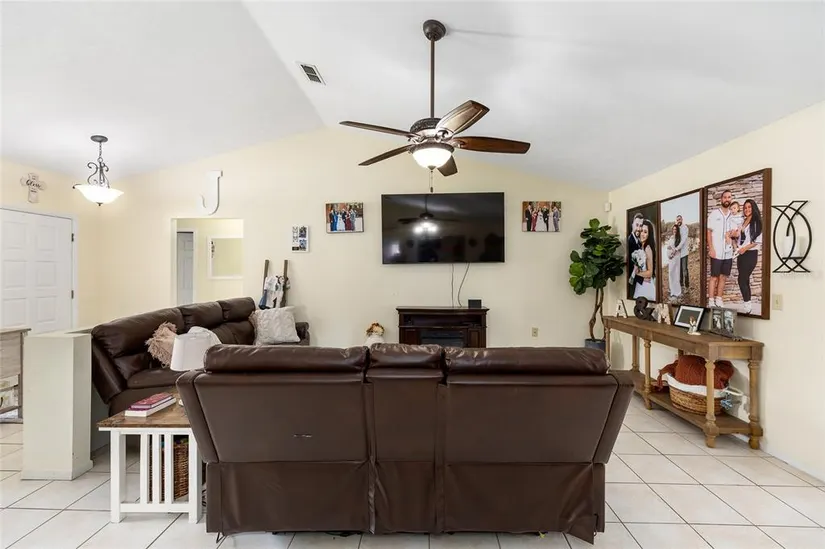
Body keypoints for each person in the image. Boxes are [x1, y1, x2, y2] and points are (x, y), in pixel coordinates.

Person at [707, 190, 735, 307]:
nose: (727, 199)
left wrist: (734, 233)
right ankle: (711, 301)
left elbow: (736, 233)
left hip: (728, 253)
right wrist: (711, 249)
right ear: (721, 199)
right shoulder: (714, 214)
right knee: (714, 277)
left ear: (731, 199)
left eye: (729, 197)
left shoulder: (733, 216)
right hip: (717, 252)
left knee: (723, 277)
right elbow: (708, 232)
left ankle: (719, 299)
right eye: (725, 197)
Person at [736, 199, 762, 315]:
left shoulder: (756, 221)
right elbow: (741, 238)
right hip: (741, 254)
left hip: (750, 254)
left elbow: (757, 241)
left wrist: (745, 248)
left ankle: (747, 304)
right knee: (745, 280)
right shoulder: (743, 221)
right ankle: (748, 304)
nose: (747, 209)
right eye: (745, 207)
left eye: (749, 207)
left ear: (753, 208)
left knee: (741, 279)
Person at [634, 219, 657, 300]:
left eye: (645, 232)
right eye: (641, 231)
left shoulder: (647, 249)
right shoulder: (640, 247)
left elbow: (650, 273)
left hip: (646, 287)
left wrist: (637, 273)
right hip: (640, 284)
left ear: (649, 235)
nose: (642, 234)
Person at [627, 212, 644, 291]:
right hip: (633, 282)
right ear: (632, 225)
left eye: (640, 226)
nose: (638, 228)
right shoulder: (629, 241)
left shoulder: (639, 242)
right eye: (637, 225)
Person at [666, 224, 682, 299]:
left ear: (677, 230)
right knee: (671, 273)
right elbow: (668, 246)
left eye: (675, 229)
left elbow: (678, 249)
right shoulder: (671, 237)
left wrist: (672, 253)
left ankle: (677, 291)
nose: (674, 231)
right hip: (670, 258)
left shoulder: (679, 238)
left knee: (676, 273)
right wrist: (669, 254)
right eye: (673, 229)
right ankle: (672, 290)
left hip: (676, 258)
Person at [675, 215, 690, 290]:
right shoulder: (677, 228)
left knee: (684, 270)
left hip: (684, 253)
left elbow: (683, 240)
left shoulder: (685, 228)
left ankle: (687, 286)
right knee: (679, 270)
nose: (678, 221)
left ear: (682, 219)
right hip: (678, 254)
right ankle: (681, 285)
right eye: (677, 220)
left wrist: (677, 248)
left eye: (679, 219)